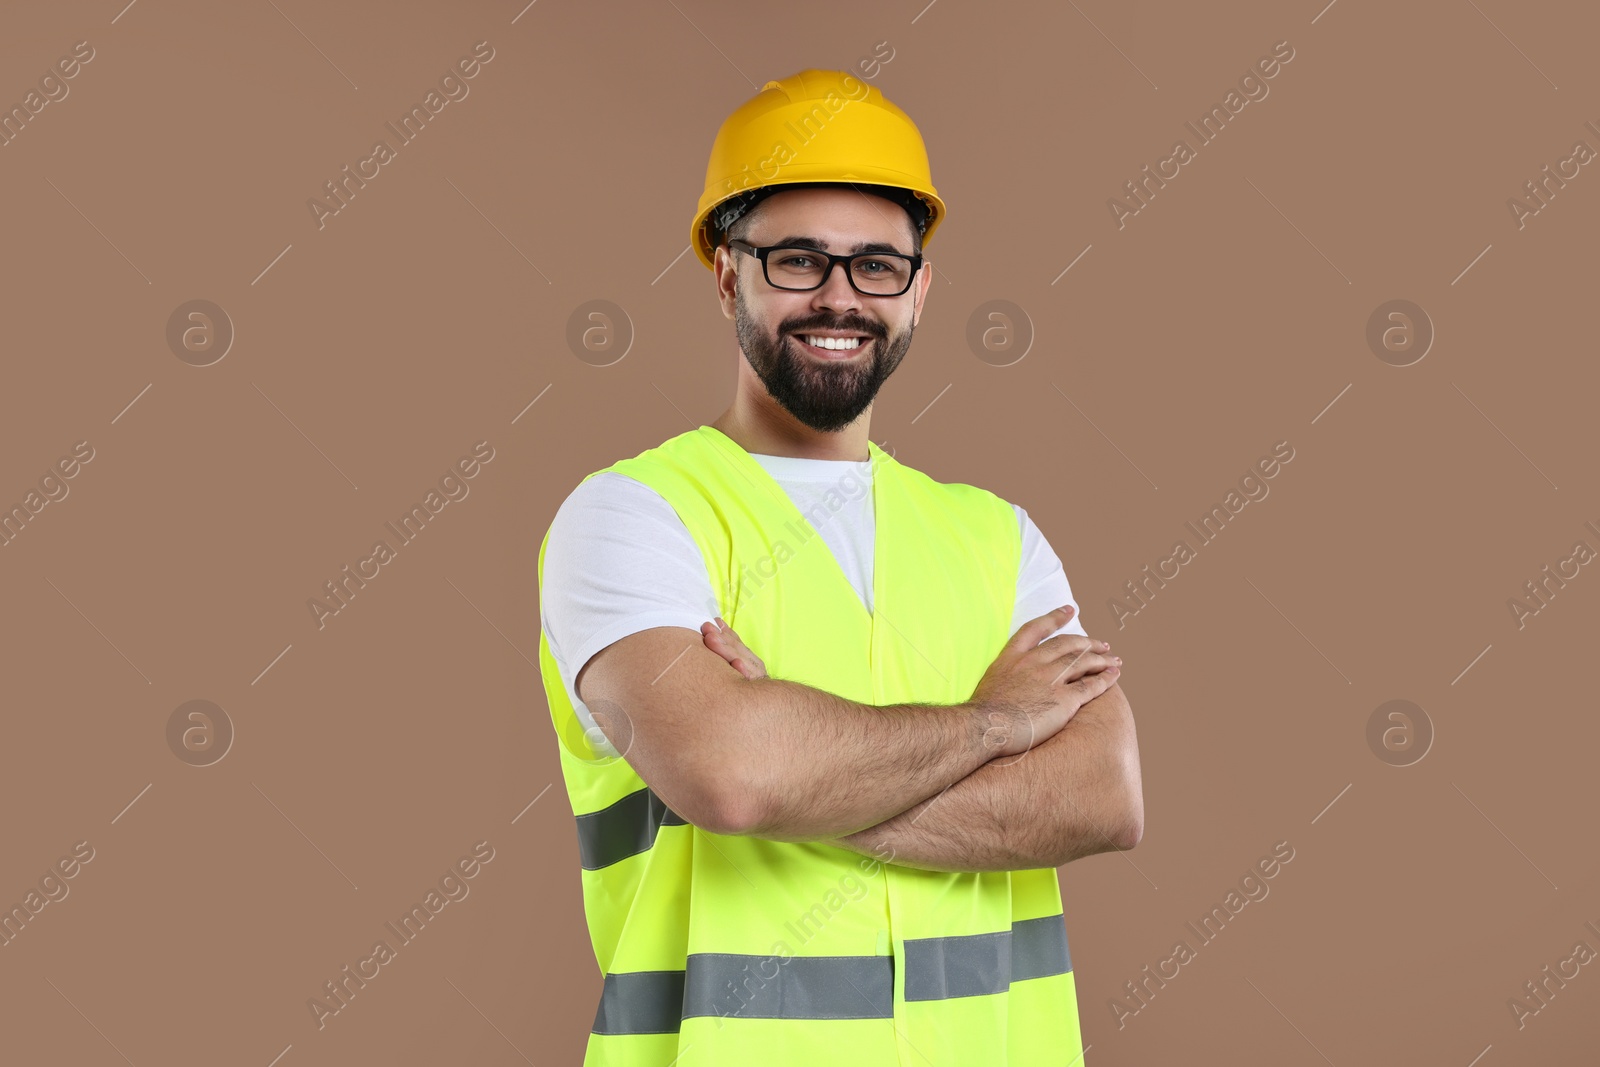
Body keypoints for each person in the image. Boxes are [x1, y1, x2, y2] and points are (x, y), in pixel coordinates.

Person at [536, 68, 1144, 1066]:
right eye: (797, 260)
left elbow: (1104, 794)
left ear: (919, 289)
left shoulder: (997, 537)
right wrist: (996, 725)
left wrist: (804, 768)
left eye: (876, 266)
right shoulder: (631, 517)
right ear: (727, 274)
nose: (839, 296)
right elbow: (732, 778)